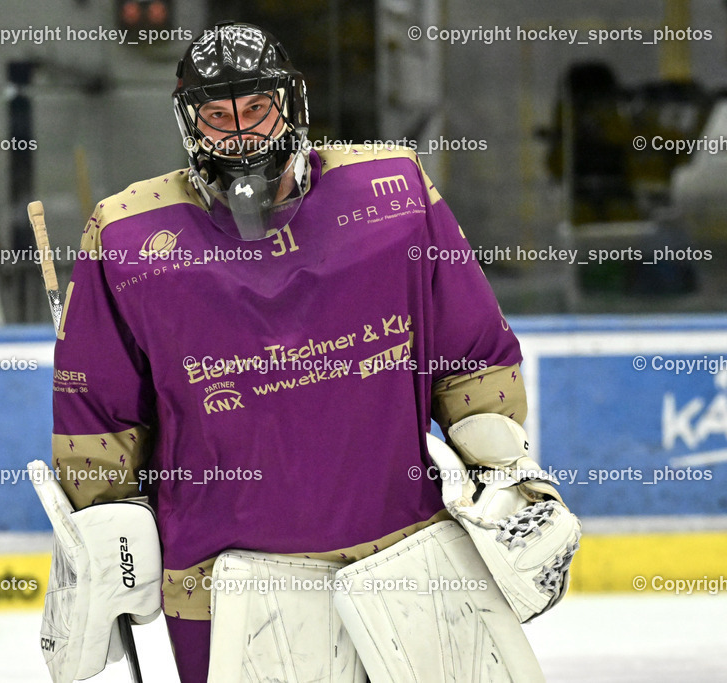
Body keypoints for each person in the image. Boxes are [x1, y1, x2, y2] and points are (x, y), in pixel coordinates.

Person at [42, 21, 577, 683]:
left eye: (256, 109)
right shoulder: (128, 241)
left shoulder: (397, 199)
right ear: (189, 124)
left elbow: (472, 359)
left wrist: (505, 474)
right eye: (217, 114)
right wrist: (103, 536)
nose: (239, 133)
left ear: (291, 104)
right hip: (224, 580)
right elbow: (97, 416)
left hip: (406, 559)